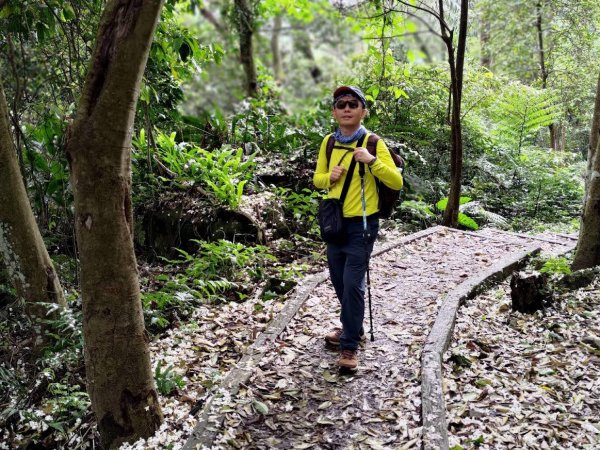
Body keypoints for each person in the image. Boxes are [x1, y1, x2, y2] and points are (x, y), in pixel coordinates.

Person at [313, 86, 403, 370]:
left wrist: (372, 161)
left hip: (363, 225)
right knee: (339, 282)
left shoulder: (374, 143)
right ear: (334, 112)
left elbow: (396, 182)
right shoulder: (328, 142)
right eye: (341, 104)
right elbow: (317, 179)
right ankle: (353, 326)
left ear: (363, 111)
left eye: (353, 104)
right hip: (334, 223)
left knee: (353, 285)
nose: (347, 108)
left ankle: (349, 346)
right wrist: (330, 177)